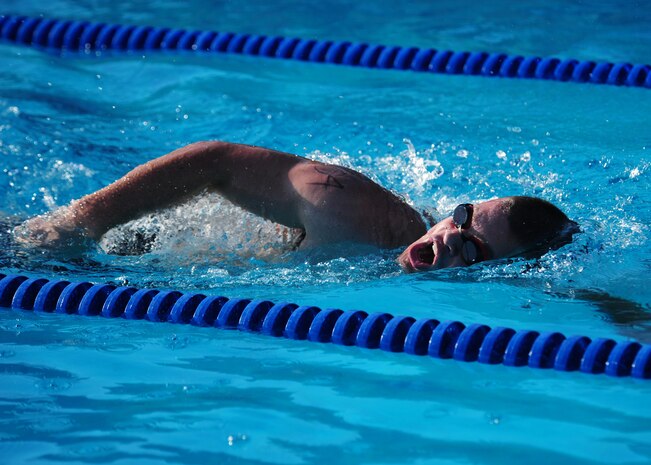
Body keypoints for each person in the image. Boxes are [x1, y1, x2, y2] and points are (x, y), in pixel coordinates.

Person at [16, 141, 578, 271]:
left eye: (473, 248)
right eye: (462, 220)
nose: (449, 238)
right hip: (123, 244)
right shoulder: (353, 211)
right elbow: (215, 159)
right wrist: (77, 222)